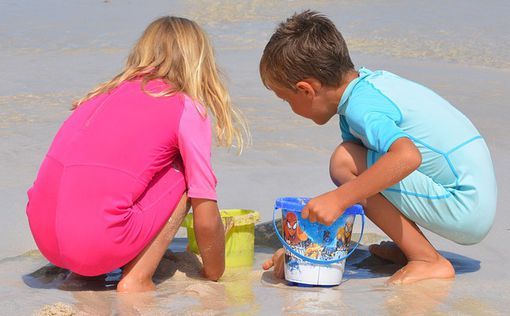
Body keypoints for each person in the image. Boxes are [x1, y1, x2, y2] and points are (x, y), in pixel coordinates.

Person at [260, 11, 496, 284]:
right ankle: (410, 246)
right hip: (470, 196)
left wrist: (338, 199)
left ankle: (427, 259)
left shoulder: (361, 107)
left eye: (285, 99)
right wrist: (305, 242)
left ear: (306, 90)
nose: (290, 108)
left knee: (344, 162)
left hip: (465, 206)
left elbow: (408, 157)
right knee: (359, 162)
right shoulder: (367, 87)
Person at [26, 16, 247, 292]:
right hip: (97, 243)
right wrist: (214, 272)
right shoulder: (184, 106)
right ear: (199, 63)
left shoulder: (100, 95)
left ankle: (84, 275)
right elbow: (204, 207)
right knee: (185, 173)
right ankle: (137, 279)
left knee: (105, 176)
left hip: (45, 236)